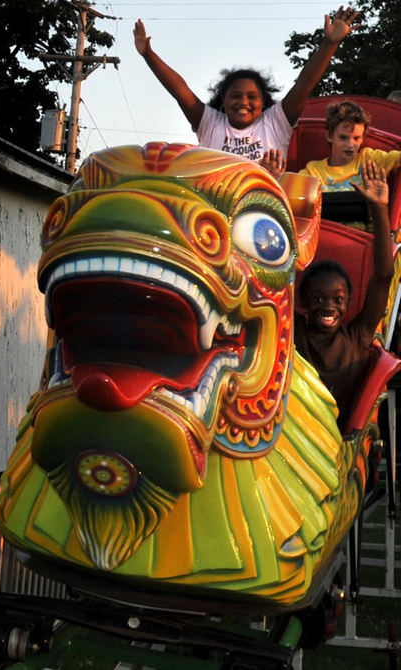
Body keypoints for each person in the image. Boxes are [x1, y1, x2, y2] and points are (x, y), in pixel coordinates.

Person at [134, 7, 359, 166]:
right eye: (236, 96)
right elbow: (179, 90)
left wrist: (330, 43)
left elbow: (304, 84)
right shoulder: (210, 123)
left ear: (263, 101)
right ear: (223, 100)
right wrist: (148, 54)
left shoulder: (275, 121)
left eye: (252, 97)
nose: (243, 102)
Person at [294, 159, 393, 431]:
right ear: (303, 302)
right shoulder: (294, 331)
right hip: (296, 432)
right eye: (318, 299)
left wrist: (379, 208)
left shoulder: (356, 336)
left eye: (338, 299)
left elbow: (384, 275)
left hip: (336, 439)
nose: (328, 306)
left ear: (349, 301)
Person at [303, 99, 401, 191]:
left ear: (363, 138)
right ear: (329, 136)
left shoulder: (369, 159)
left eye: (356, 138)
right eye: (343, 137)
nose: (350, 144)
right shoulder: (314, 171)